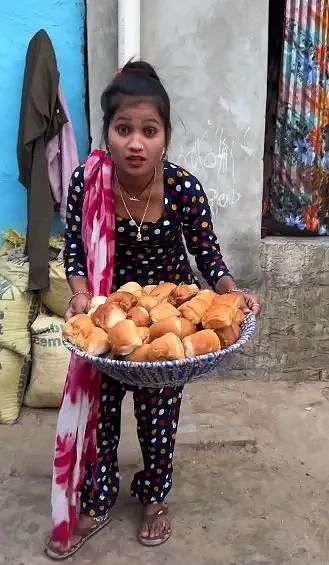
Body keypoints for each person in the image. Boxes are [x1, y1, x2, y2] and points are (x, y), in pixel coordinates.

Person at [45, 60, 260, 560]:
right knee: (100, 413)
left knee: (158, 413)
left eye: (149, 131)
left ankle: (154, 497)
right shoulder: (87, 182)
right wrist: (81, 296)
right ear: (108, 134)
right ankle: (96, 499)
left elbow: (207, 255)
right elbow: (76, 251)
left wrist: (232, 291)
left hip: (167, 317)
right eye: (124, 130)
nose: (135, 143)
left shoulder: (184, 189)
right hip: (107, 311)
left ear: (165, 136)